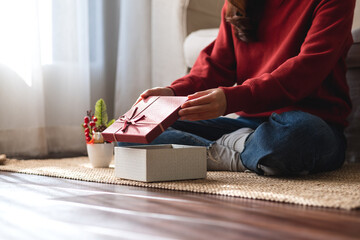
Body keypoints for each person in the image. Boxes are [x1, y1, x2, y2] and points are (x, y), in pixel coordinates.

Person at [120, 0, 356, 176]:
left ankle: (227, 152)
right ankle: (246, 153)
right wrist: (172, 93)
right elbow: (214, 67)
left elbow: (307, 69)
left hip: (307, 124)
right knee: (134, 132)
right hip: (247, 126)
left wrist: (231, 98)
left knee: (295, 139)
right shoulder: (237, 3)